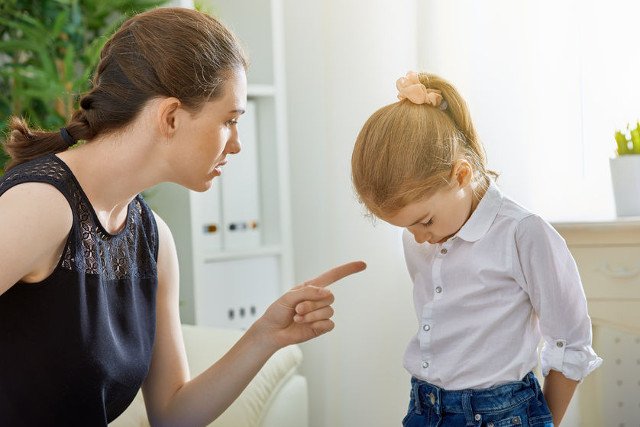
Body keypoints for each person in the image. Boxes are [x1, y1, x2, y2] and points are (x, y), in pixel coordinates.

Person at [0, 7, 366, 426]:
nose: (237, 145)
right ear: (170, 116)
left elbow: (172, 414)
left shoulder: (154, 240)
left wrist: (265, 335)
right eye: (229, 121)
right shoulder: (43, 205)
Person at [351, 71, 601, 426]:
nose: (419, 238)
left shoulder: (522, 233)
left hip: (501, 414)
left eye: (424, 221)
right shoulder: (421, 240)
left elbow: (570, 342)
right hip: (424, 406)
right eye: (406, 228)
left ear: (462, 175)